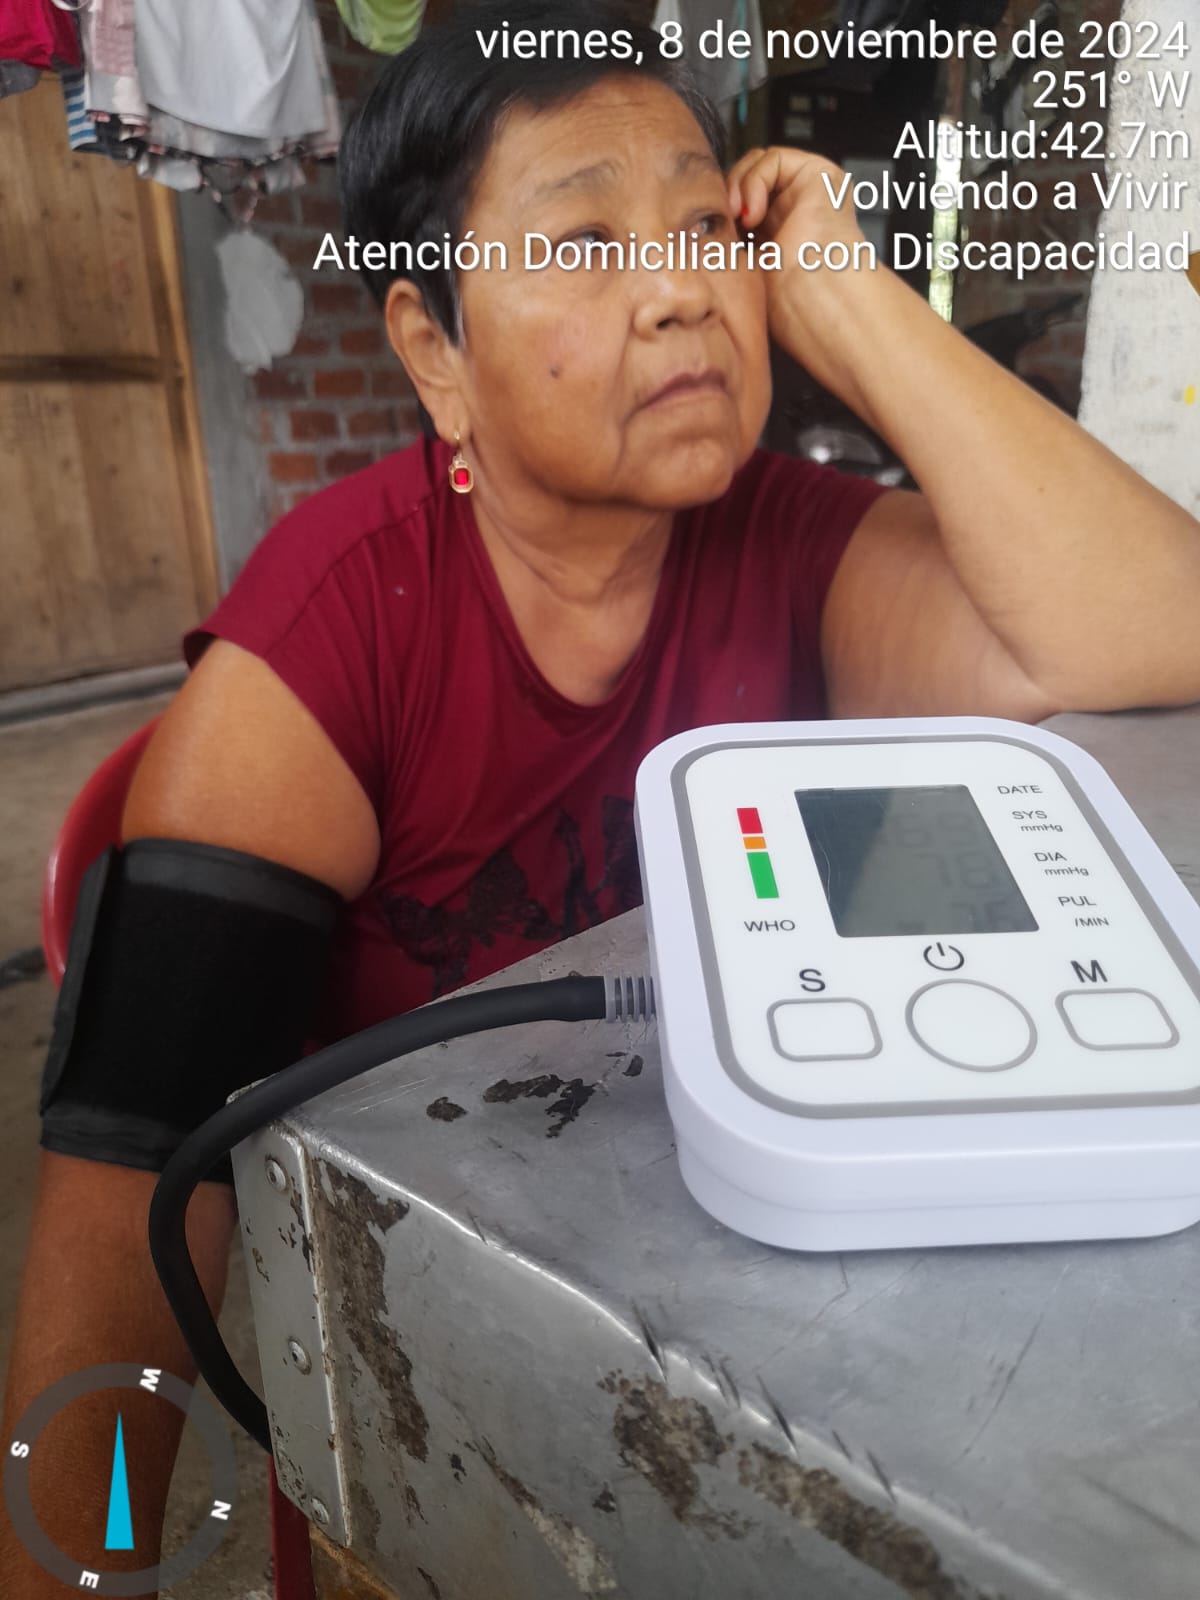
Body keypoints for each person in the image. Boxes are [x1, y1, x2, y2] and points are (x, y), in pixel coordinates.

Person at [4, 2, 1200, 1590]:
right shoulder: (333, 644)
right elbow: (132, 1196)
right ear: (434, 350)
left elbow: (1156, 633)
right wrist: (85, 1564)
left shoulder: (796, 538)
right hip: (440, 1375)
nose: (682, 291)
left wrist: (854, 303)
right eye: (580, 244)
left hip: (788, 1346)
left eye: (709, 229)